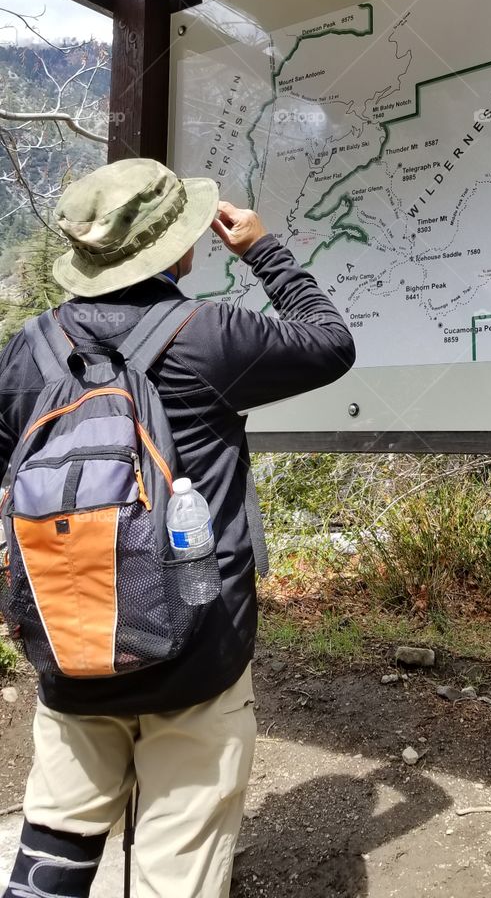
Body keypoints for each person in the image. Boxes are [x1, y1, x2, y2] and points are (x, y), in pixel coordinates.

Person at [0, 157, 355, 898]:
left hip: (70, 641)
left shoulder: (28, 351)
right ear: (179, 247)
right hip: (200, 647)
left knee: (58, 830)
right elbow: (329, 342)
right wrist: (263, 251)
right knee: (180, 848)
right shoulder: (210, 335)